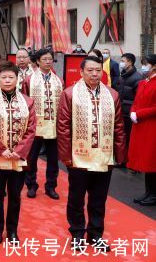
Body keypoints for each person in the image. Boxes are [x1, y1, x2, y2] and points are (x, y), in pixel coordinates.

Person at [56, 56, 126, 250]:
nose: (95, 74)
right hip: (79, 157)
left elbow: (119, 126)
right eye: (90, 70)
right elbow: (63, 128)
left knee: (99, 199)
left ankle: (95, 234)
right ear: (81, 72)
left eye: (98, 70)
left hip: (104, 156)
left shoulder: (112, 95)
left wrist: (119, 154)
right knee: (76, 197)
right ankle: (77, 233)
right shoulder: (70, 94)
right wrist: (66, 157)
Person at [0, 61, 36, 244]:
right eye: (3, 77)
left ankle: (12, 230)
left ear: (17, 79)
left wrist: (18, 151)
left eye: (11, 77)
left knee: (15, 196)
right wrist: (2, 150)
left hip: (18, 158)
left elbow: (31, 129)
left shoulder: (28, 101)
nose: (7, 80)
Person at [22, 48, 63, 200]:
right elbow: (24, 102)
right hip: (35, 126)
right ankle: (31, 185)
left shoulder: (58, 80)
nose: (47, 62)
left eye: (50, 59)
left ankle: (51, 186)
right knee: (31, 158)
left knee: (53, 159)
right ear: (38, 61)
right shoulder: (29, 80)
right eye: (44, 59)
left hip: (53, 126)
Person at [128, 54, 156, 206]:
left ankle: (154, 194)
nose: (143, 67)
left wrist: (138, 113)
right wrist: (133, 110)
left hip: (151, 126)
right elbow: (137, 100)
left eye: (146, 64)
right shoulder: (143, 82)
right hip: (141, 125)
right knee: (146, 161)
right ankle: (148, 192)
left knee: (152, 161)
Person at [115, 53, 143, 159]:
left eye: (123, 61)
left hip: (129, 113)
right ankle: (122, 158)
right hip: (121, 111)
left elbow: (138, 98)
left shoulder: (137, 78)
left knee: (129, 137)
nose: (121, 63)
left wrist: (133, 111)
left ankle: (130, 160)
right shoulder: (122, 75)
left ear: (130, 62)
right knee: (122, 136)